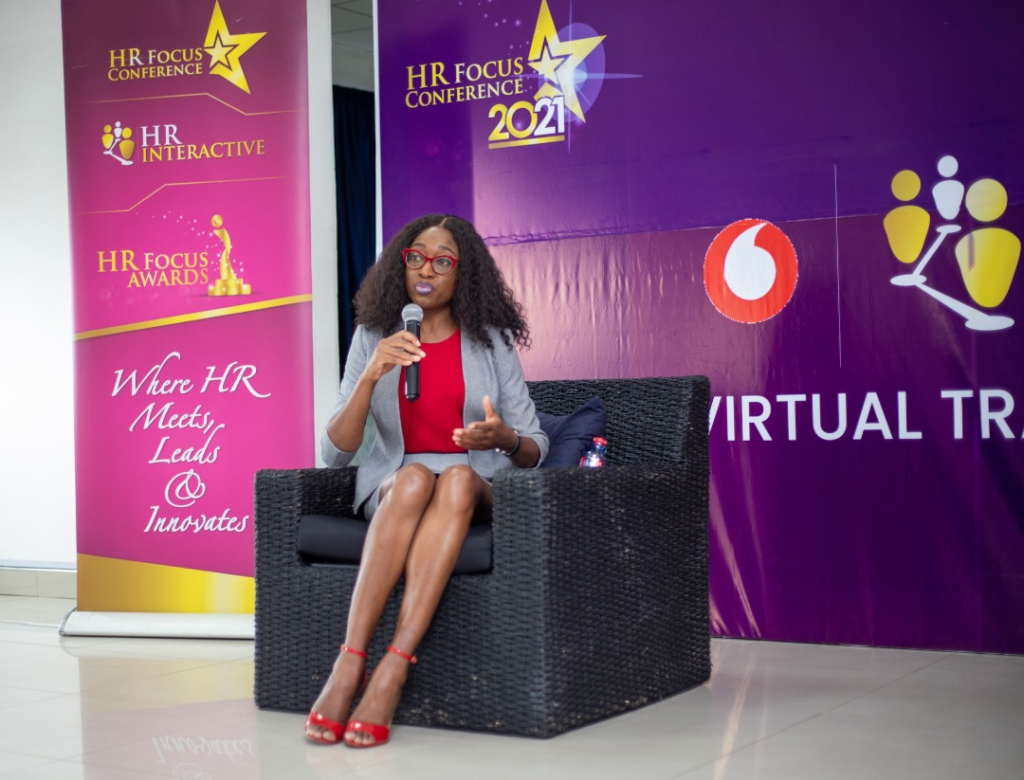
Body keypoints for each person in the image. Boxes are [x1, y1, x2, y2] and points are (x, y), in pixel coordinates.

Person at [305, 214, 549, 747]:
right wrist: (370, 376)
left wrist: (503, 438)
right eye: (415, 257)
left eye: (442, 262)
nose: (425, 270)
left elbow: (534, 447)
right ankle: (351, 662)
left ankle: (393, 667)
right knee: (415, 478)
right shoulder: (374, 335)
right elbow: (334, 454)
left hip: (474, 479)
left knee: (456, 479)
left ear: (465, 274)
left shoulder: (491, 340)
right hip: (397, 483)